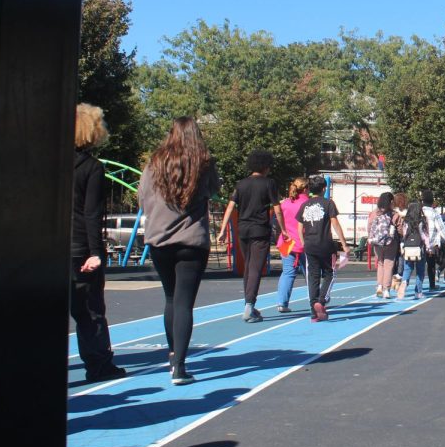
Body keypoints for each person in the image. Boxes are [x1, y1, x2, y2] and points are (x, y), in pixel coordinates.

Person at [140, 117, 219, 385]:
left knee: (171, 298)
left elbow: (143, 197)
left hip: (160, 238)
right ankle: (180, 366)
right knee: (185, 302)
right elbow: (214, 192)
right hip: (191, 240)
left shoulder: (155, 162)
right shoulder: (204, 163)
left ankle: (173, 354)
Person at [70, 103, 126, 384]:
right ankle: (99, 364)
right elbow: (91, 213)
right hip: (80, 246)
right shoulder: (92, 168)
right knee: (90, 311)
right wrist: (96, 251)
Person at [218, 150, 285, 323]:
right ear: (265, 166)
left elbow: (230, 207)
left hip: (243, 229)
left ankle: (248, 304)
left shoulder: (241, 184)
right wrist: (283, 229)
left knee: (248, 265)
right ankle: (249, 304)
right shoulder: (269, 183)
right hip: (259, 230)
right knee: (256, 267)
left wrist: (223, 229)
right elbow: (277, 208)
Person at [298, 176, 349, 321]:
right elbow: (335, 223)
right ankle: (321, 301)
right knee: (329, 274)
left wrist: (303, 242)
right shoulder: (328, 203)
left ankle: (313, 308)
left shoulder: (305, 205)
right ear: (324, 189)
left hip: (309, 244)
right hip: (325, 244)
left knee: (312, 276)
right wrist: (344, 243)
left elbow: (299, 226)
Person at [275, 177, 309, 313]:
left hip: (287, 241)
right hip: (303, 242)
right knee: (310, 273)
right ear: (306, 189)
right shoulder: (308, 203)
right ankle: (316, 300)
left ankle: (281, 302)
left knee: (287, 272)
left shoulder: (285, 203)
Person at [368, 191, 402, 298]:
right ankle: (386, 289)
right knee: (389, 265)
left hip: (377, 243)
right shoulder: (394, 214)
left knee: (380, 264)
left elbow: (369, 227)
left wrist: (372, 238)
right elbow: (401, 229)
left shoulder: (374, 213)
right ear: (391, 201)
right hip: (390, 242)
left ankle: (379, 286)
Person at [420, 189, 445, 291]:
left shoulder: (419, 211)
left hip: (419, 242)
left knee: (419, 265)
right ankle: (432, 285)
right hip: (431, 244)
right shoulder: (434, 213)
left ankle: (417, 286)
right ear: (432, 200)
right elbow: (442, 229)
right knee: (431, 265)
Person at [397, 200, 429, 299]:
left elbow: (404, 234)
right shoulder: (422, 221)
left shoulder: (406, 221)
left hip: (408, 247)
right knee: (420, 271)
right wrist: (428, 247)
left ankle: (404, 282)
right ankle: (418, 292)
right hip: (419, 247)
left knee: (407, 268)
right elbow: (425, 236)